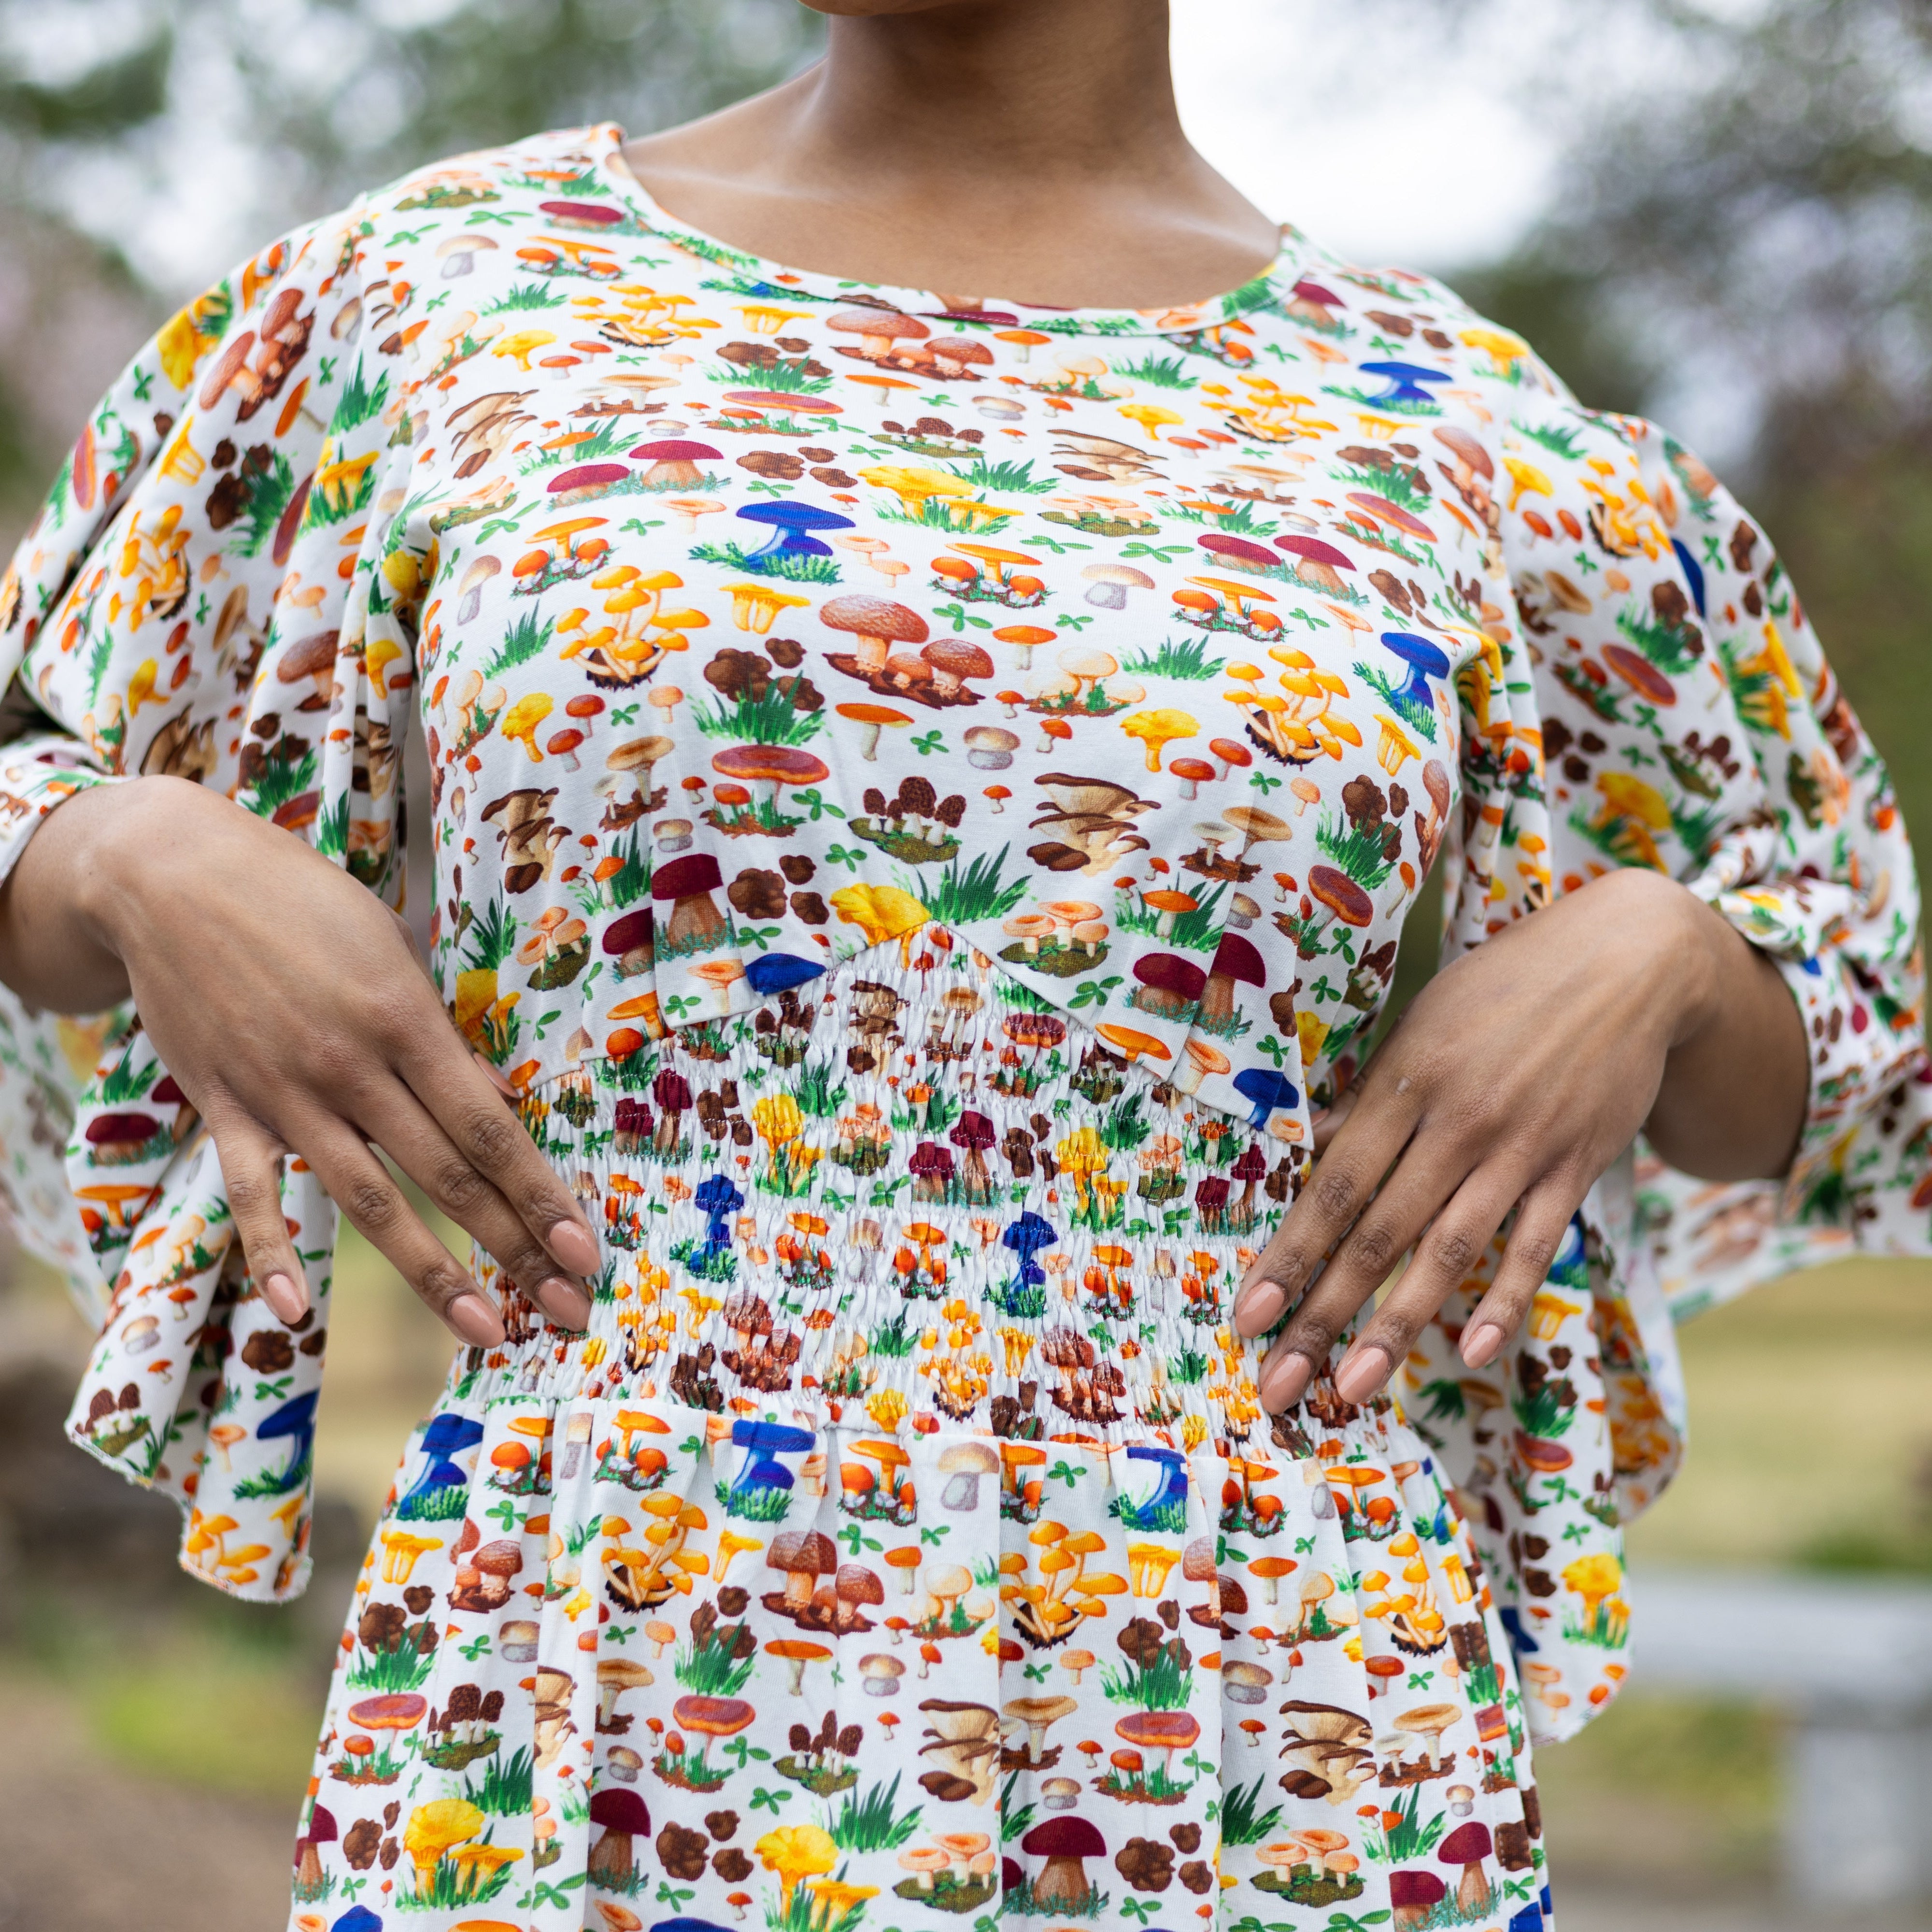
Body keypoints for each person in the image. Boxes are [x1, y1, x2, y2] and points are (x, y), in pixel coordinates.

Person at [0, 2, 1924, 1925]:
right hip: (613, 1641)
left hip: (1259, 1684)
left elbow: (1853, 1052)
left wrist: (1663, 950)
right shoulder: (437, 304)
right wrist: (130, 846)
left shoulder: (1444, 415)